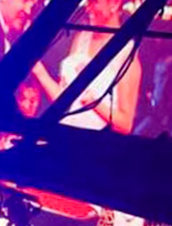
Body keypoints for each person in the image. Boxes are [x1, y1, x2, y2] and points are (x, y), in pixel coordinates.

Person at [30, 0, 143, 133]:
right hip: (62, 134)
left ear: (114, 4)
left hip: (92, 143)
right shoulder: (81, 38)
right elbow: (63, 99)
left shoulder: (125, 55)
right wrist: (40, 72)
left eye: (94, 2)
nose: (88, 8)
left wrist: (93, 102)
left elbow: (125, 124)